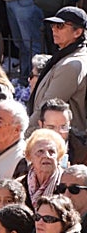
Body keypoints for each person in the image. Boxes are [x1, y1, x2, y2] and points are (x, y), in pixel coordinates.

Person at [28, 9, 87, 140]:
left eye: (60, 26)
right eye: (53, 25)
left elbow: (46, 108)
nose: (54, 30)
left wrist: (25, 136)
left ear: (78, 32)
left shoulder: (71, 65)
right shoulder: (67, 56)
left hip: (60, 139)